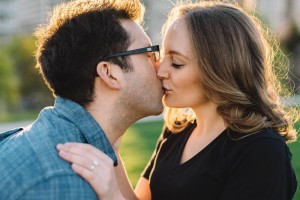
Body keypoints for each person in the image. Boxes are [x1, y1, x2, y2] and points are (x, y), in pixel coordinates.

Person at [57, 1, 299, 200]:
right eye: (164, 57)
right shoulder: (177, 130)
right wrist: (114, 152)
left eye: (177, 63)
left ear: (220, 70)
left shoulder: (261, 152)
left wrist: (111, 195)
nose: (160, 71)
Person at [0, 0, 164, 199]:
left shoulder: (46, 141)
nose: (159, 66)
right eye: (148, 53)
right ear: (109, 73)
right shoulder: (65, 184)